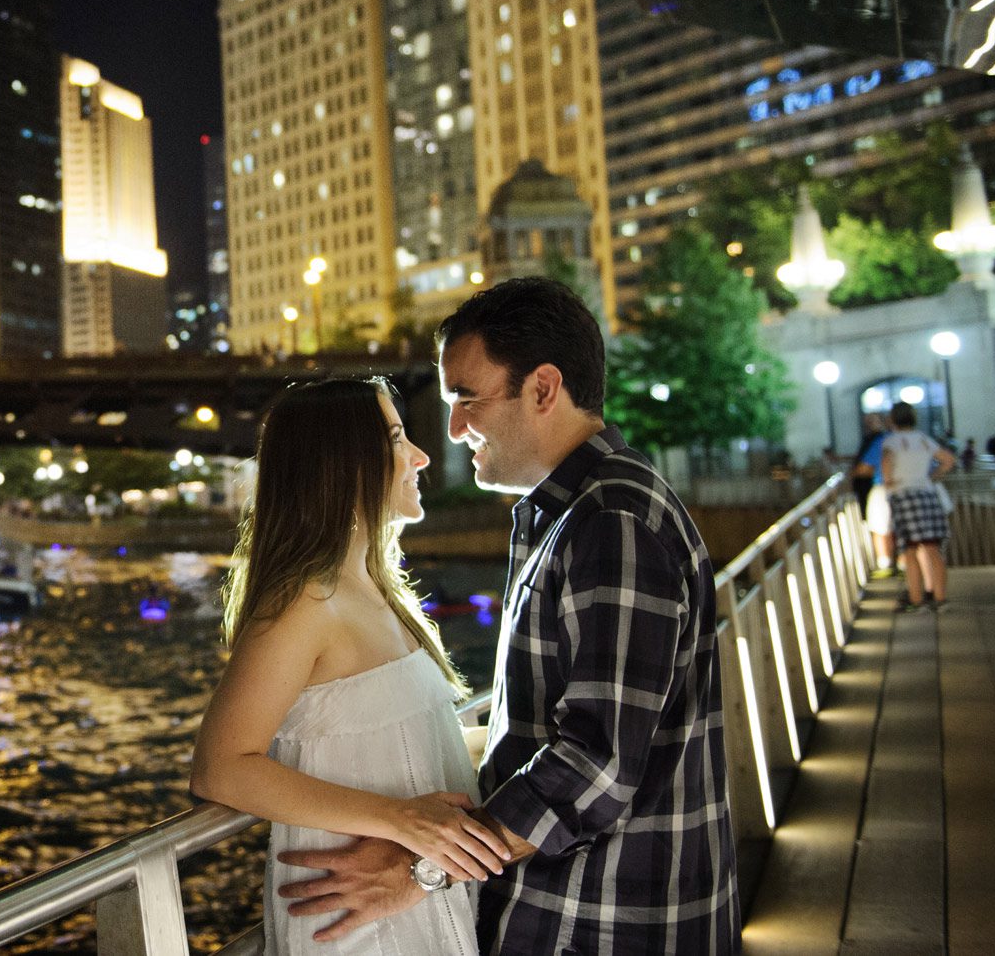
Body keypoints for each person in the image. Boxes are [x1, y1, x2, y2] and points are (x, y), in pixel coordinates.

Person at [275, 278, 739, 954]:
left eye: (467, 396)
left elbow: (597, 763)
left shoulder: (610, 521)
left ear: (543, 389)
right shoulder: (574, 511)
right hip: (585, 905)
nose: (454, 428)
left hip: (604, 918)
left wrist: (423, 867)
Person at [191, 377, 509, 955]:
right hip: (354, 923)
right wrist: (401, 821)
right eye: (395, 439)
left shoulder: (377, 590)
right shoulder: (302, 602)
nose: (420, 455)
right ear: (342, 465)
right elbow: (221, 768)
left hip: (415, 897)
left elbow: (408, 740)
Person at [882, 400, 958, 612]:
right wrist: (931, 477)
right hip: (926, 494)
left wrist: (890, 483)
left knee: (910, 550)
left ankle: (917, 600)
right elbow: (948, 460)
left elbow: (887, 465)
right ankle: (940, 599)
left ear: (893, 419)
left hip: (903, 496)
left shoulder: (892, 442)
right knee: (933, 549)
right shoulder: (923, 439)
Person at [853, 413, 895, 576]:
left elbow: (864, 468)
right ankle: (902, 563)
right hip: (909, 488)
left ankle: (885, 563)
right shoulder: (919, 440)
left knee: (880, 527)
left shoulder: (882, 441)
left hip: (883, 487)